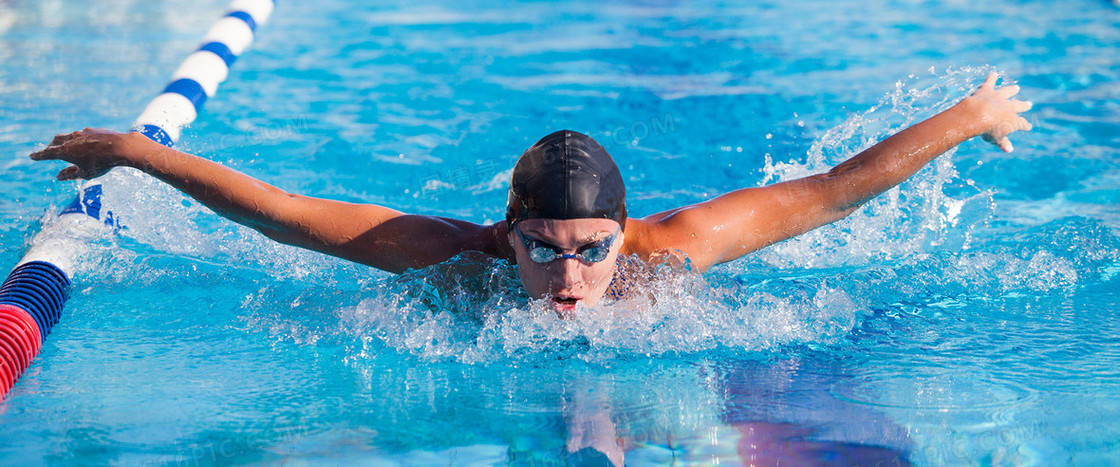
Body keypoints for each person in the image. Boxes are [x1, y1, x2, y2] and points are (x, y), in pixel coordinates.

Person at [29, 73, 1031, 316]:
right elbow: (282, 213)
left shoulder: (664, 254)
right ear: (504, 235)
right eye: (544, 247)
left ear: (622, 233)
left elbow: (830, 192)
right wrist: (138, 152)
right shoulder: (448, 260)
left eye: (590, 248)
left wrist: (970, 114)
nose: (567, 273)